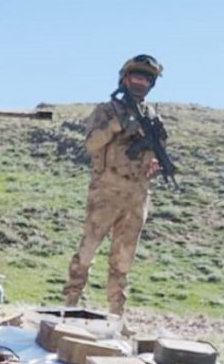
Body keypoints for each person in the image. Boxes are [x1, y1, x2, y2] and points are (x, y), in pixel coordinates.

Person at [62, 54, 167, 316]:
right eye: (136, 76)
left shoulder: (152, 117)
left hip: (137, 194)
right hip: (107, 190)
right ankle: (70, 305)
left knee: (124, 259)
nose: (141, 82)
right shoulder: (107, 111)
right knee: (88, 249)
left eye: (146, 78)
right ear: (125, 78)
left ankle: (116, 315)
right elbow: (92, 144)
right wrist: (116, 126)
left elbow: (158, 152)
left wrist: (156, 163)